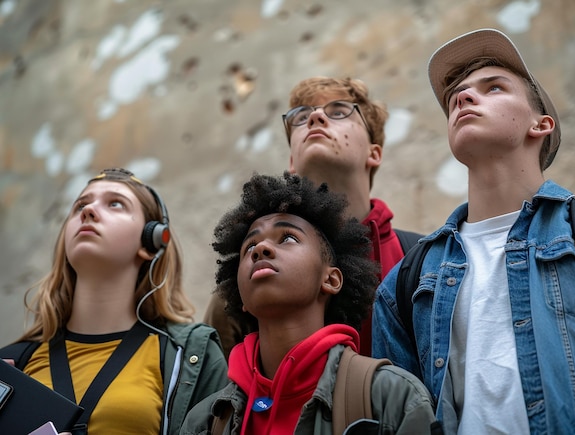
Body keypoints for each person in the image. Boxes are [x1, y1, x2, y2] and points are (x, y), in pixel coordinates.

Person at [372, 28, 575, 434]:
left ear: (540, 124)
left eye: (493, 88)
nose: (463, 96)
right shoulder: (404, 283)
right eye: (459, 92)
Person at [180, 172, 436, 434]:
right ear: (241, 297)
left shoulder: (392, 400)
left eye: (288, 238)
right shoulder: (204, 422)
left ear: (331, 279)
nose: (261, 249)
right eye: (250, 246)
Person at [204, 77, 422, 358]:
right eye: (302, 116)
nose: (316, 117)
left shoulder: (420, 258)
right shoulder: (252, 273)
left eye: (340, 111)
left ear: (374, 153)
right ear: (292, 162)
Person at [0, 168, 228, 435]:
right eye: (80, 206)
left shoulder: (191, 356)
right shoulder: (11, 365)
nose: (88, 211)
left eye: (115, 204)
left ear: (151, 241)